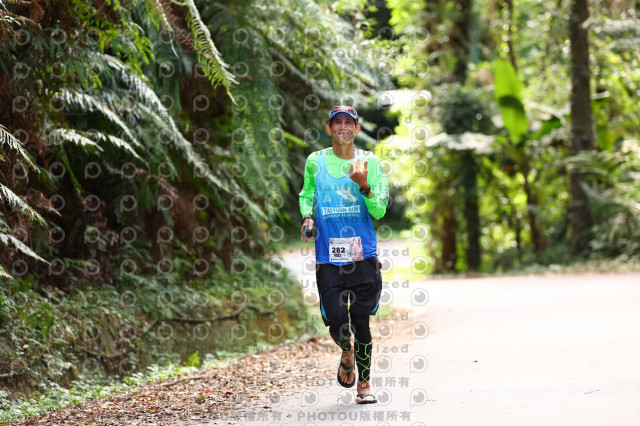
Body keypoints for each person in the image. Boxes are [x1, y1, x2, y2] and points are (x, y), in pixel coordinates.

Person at [298, 105, 389, 404]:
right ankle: (346, 351)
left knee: (361, 322)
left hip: (363, 255)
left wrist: (364, 186)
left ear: (357, 129)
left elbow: (380, 210)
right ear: (329, 129)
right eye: (337, 122)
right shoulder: (316, 161)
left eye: (349, 123)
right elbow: (307, 194)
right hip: (329, 256)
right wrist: (307, 217)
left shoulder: (370, 162)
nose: (343, 127)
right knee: (337, 320)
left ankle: (364, 385)